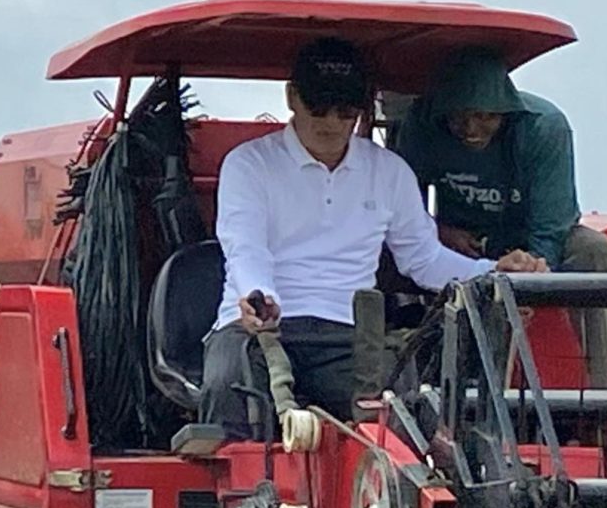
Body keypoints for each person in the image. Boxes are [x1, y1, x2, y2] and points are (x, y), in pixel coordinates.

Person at [192, 38, 545, 454]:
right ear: (292, 98)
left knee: (405, 417)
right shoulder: (249, 163)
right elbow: (246, 246)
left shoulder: (389, 172)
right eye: (319, 108)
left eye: (345, 111)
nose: (331, 122)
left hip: (348, 334)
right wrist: (260, 296)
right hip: (255, 328)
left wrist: (493, 272)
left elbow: (423, 258)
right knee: (228, 391)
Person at [387, 45, 607, 471]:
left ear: (507, 111)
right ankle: (468, 424)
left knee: (597, 251)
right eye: (460, 117)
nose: (471, 128)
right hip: (467, 243)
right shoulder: (421, 127)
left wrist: (534, 277)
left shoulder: (545, 127)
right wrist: (440, 231)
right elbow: (404, 208)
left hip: (537, 241)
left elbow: (553, 224)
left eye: (486, 116)